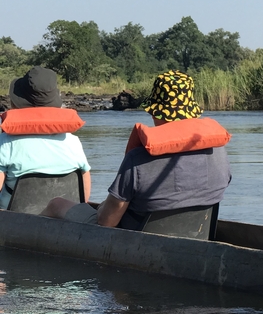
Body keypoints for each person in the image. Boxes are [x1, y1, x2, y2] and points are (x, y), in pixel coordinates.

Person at [42, 70, 231, 229]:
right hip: (196, 233)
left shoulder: (138, 159)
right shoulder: (219, 153)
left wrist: (101, 210)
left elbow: (107, 222)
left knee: (56, 204)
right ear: (192, 112)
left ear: (155, 112)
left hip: (136, 241)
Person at [0, 66, 91, 209]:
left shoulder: (4, 143)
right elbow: (84, 189)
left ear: (15, 103)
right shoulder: (73, 142)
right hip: (64, 218)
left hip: (16, 219)